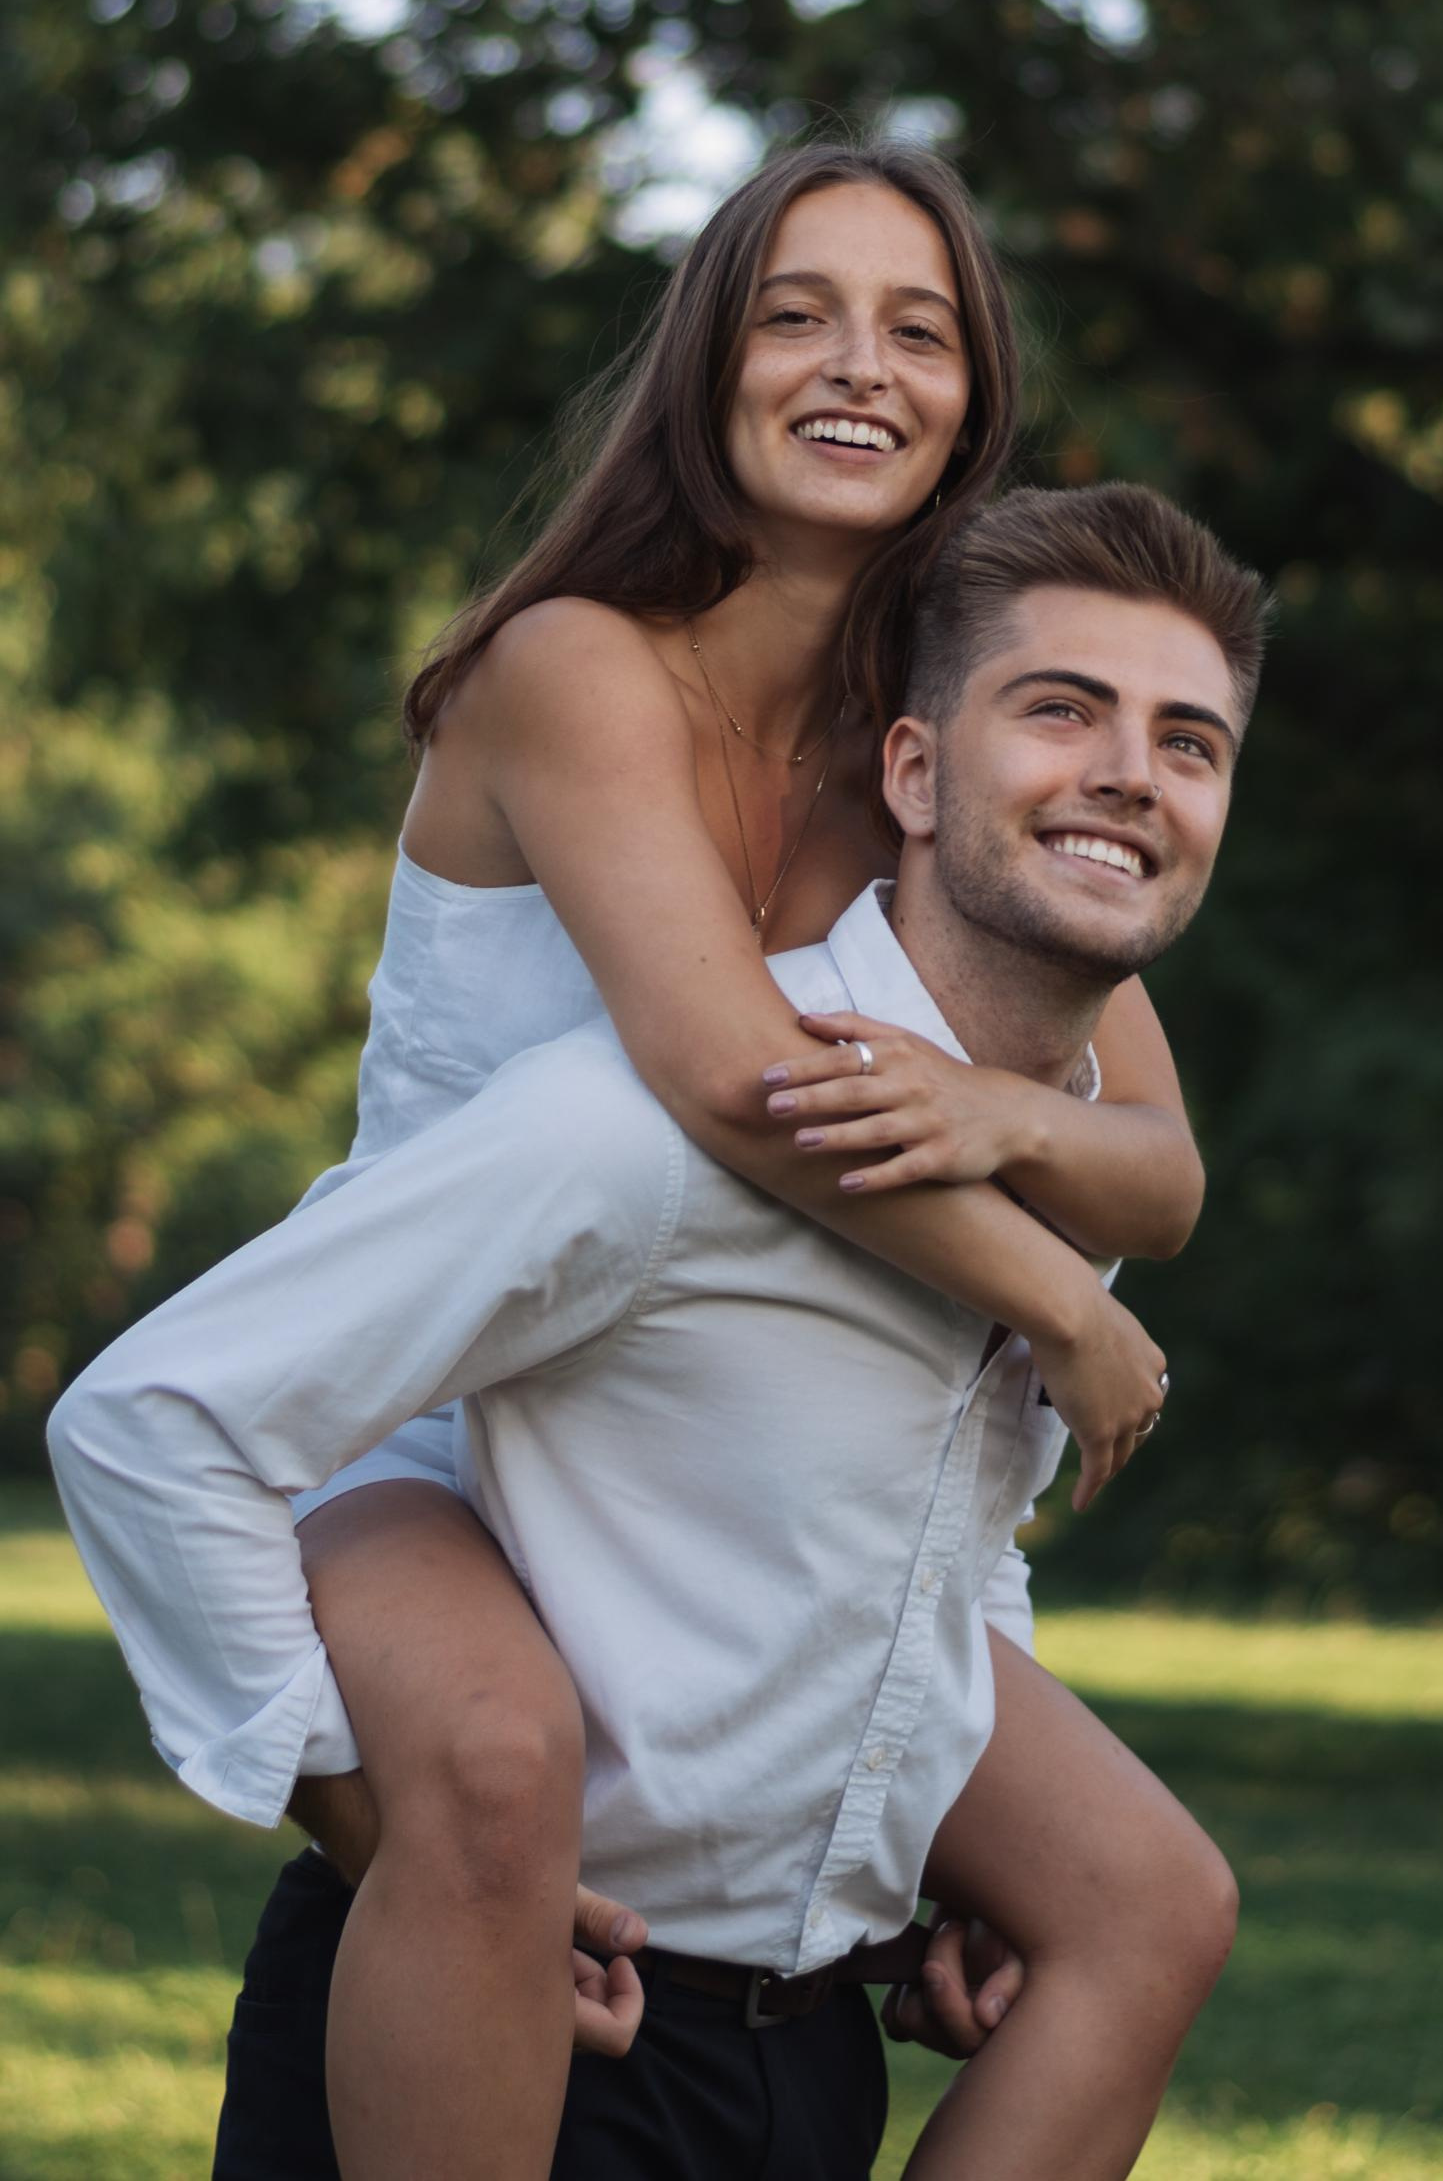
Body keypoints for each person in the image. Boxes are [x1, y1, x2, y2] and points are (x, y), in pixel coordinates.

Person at [50, 481, 1266, 2181]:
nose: (1133, 772)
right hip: (522, 2034)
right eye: (1063, 710)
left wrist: (938, 1822)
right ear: (913, 773)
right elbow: (151, 1418)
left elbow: (948, 1527)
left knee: (1163, 1897)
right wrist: (359, 1811)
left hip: (808, 2056)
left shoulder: (1052, 1161)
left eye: (1189, 743)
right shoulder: (637, 1137)